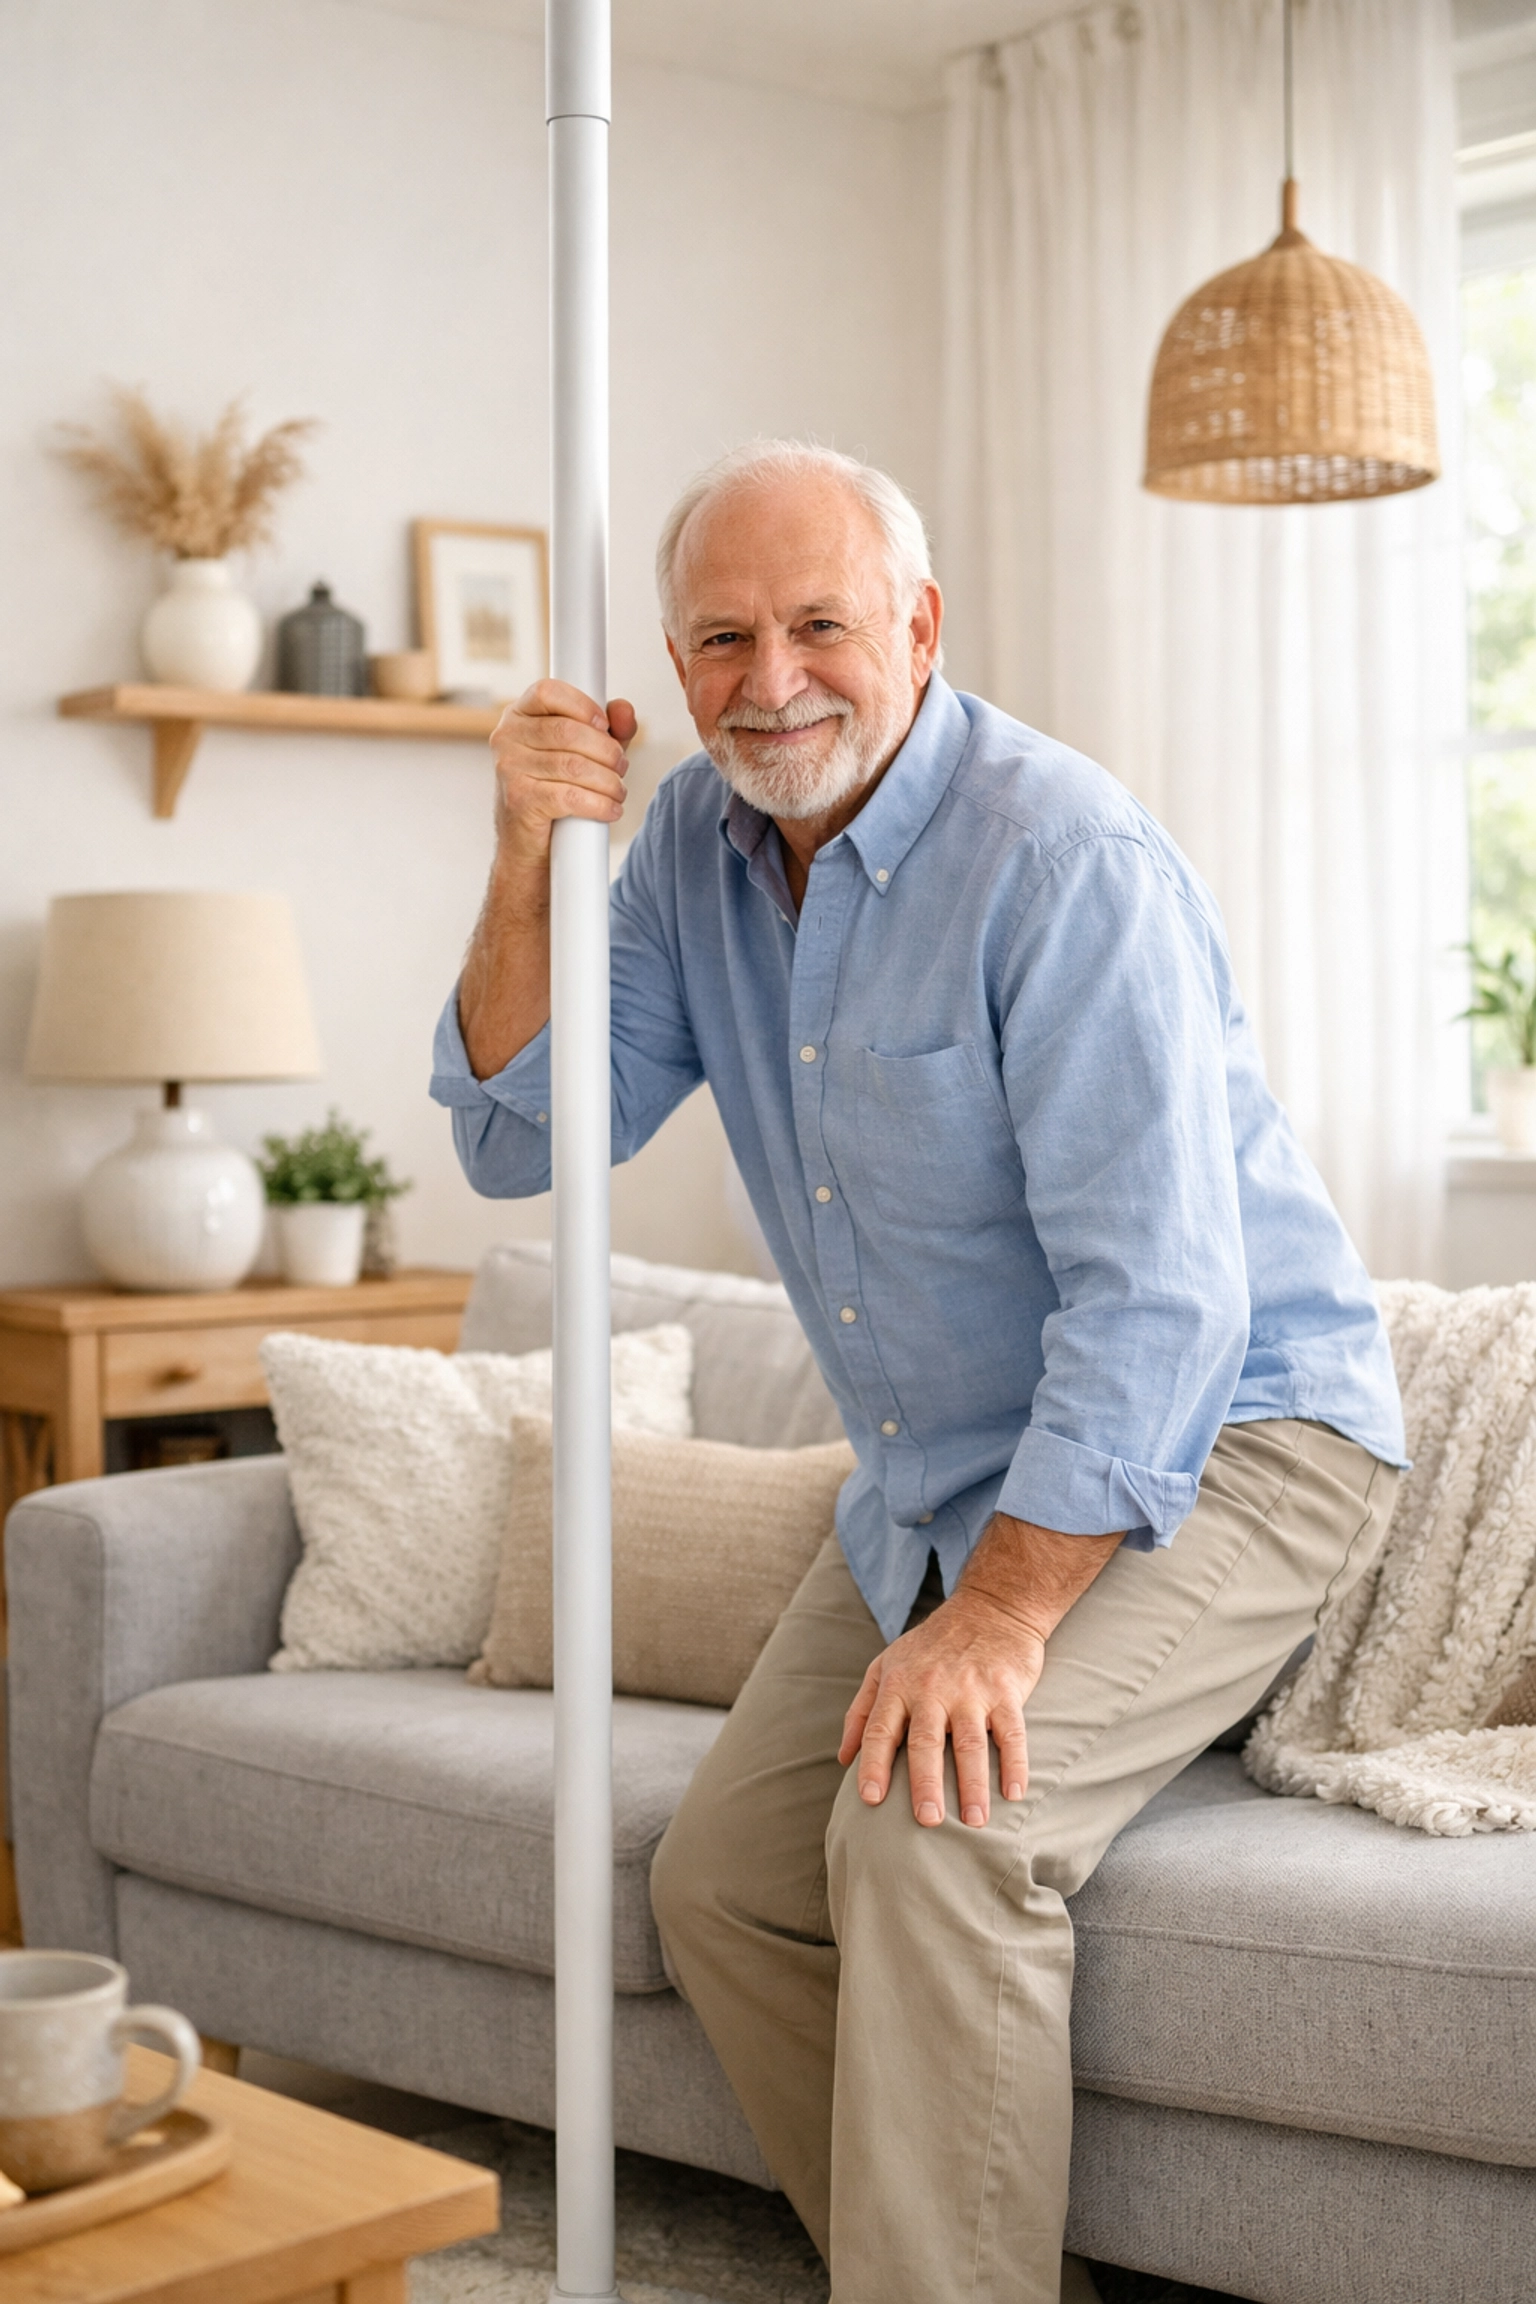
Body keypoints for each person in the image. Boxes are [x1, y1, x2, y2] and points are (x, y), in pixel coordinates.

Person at [431, 440, 1405, 2304]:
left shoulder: (1064, 856)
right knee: (723, 1883)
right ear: (670, 658)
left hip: (1234, 1435)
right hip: (942, 1470)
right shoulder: (685, 861)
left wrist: (998, 1625)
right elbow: (513, 1139)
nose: (771, 680)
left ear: (921, 626)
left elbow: (1163, 1305)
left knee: (935, 1839)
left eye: (819, 625)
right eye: (722, 639)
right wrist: (518, 861)